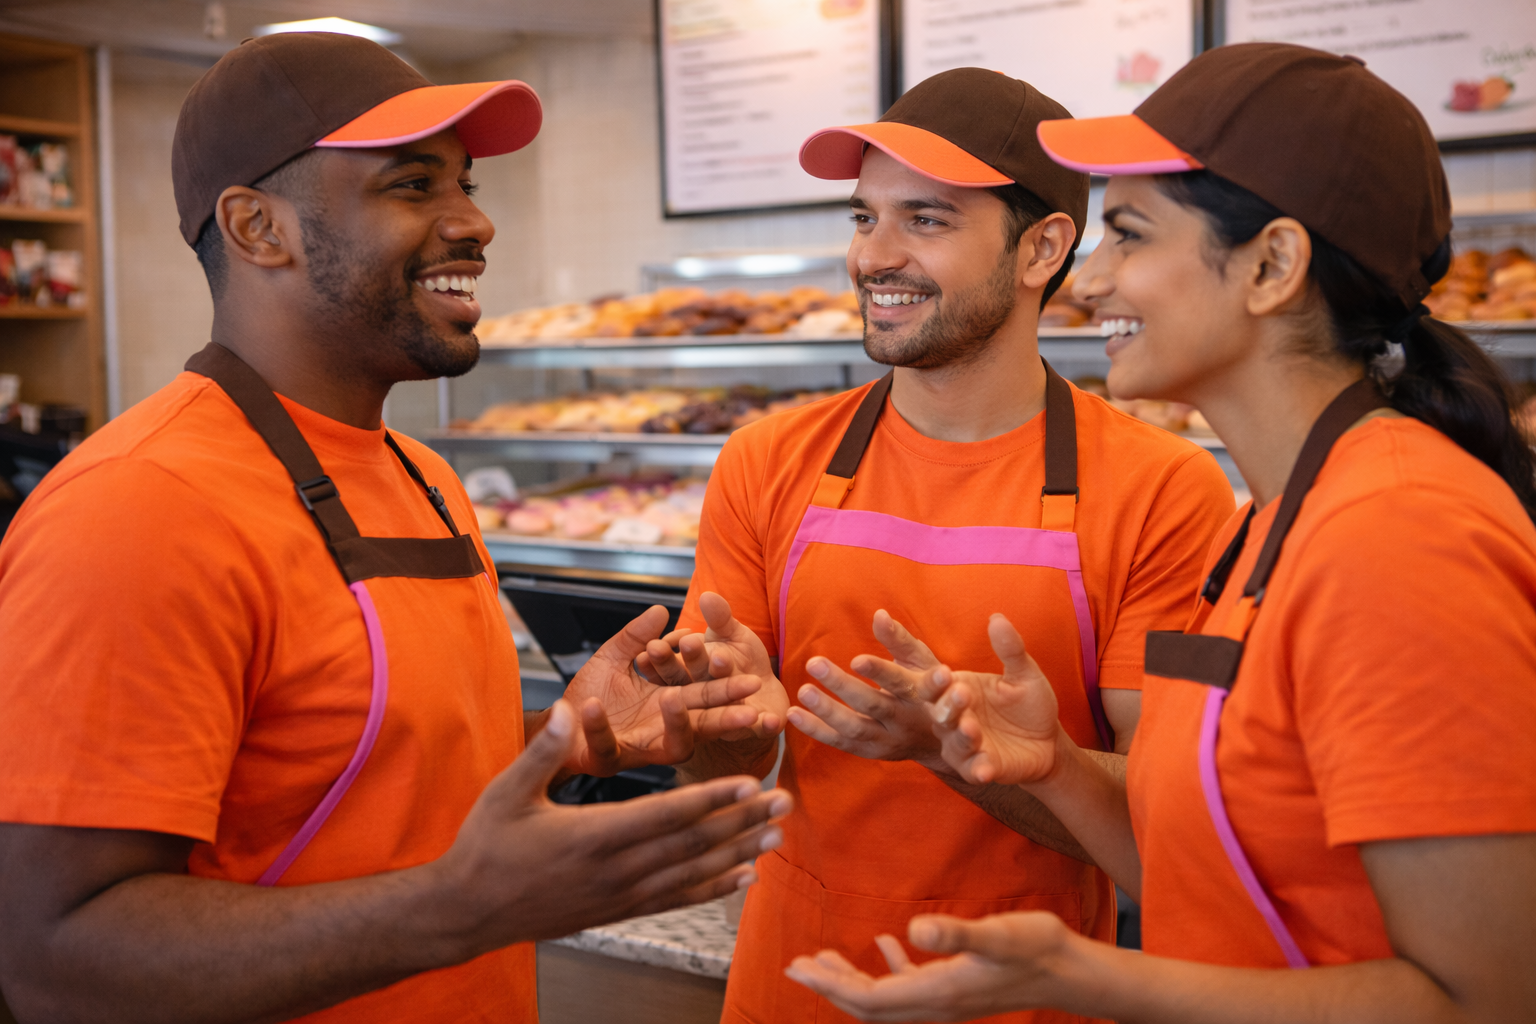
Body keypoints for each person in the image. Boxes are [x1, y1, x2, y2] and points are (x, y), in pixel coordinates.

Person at [0, 32, 791, 1024]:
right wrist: (458, 909)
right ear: (257, 228)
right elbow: (56, 959)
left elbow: (361, 772)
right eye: (415, 186)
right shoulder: (137, 506)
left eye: (466, 183)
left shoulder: (421, 476)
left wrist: (569, 737)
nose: (476, 223)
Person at [783, 42, 1536, 1023]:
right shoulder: (1278, 517)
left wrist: (1087, 975)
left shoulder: (1400, 534)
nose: (1088, 285)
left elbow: (1487, 999)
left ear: (1271, 265)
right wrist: (1052, 762)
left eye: (1130, 235)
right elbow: (1213, 876)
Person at [636, 68, 1236, 1024]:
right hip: (792, 981)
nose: (876, 256)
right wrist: (724, 727)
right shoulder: (765, 462)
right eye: (863, 217)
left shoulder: (1162, 489)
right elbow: (731, 784)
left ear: (1043, 248)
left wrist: (958, 753)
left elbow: (1164, 842)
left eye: (925, 220)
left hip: (1029, 992)